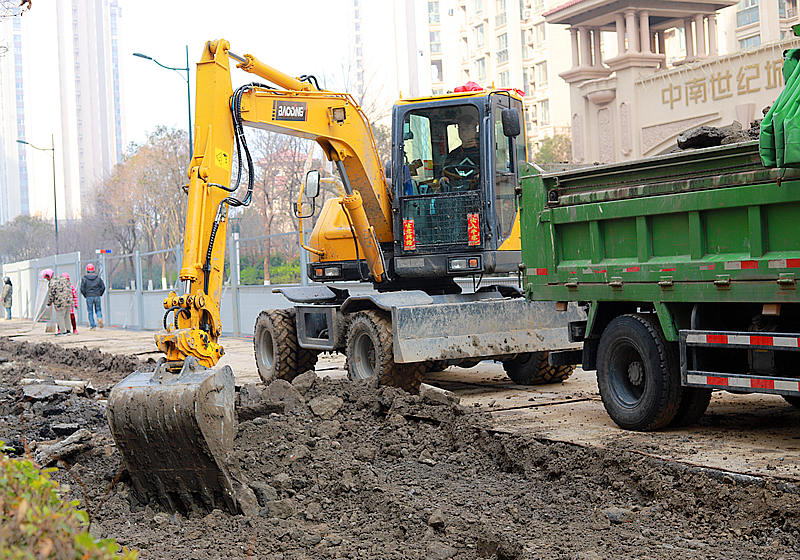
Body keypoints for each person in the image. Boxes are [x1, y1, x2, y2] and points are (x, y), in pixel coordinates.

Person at [440, 111, 480, 190]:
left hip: (479, 194)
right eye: (461, 129)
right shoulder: (453, 155)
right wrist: (443, 179)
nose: (463, 133)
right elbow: (444, 173)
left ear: (475, 130)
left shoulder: (483, 153)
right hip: (456, 195)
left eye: (467, 129)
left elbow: (495, 174)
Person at [44, 270, 72, 336]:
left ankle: (62, 331)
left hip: (60, 302)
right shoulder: (62, 278)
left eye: (46, 278)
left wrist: (48, 304)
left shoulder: (52, 283)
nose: (47, 279)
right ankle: (68, 330)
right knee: (67, 316)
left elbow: (51, 295)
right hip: (68, 300)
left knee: (60, 316)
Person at [80, 263, 105, 329]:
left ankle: (93, 325)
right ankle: (99, 318)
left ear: (87, 270)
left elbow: (82, 288)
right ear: (93, 270)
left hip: (89, 296)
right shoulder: (98, 278)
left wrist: (85, 295)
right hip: (97, 296)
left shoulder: (84, 278)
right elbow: (103, 287)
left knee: (90, 311)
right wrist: (100, 294)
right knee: (98, 309)